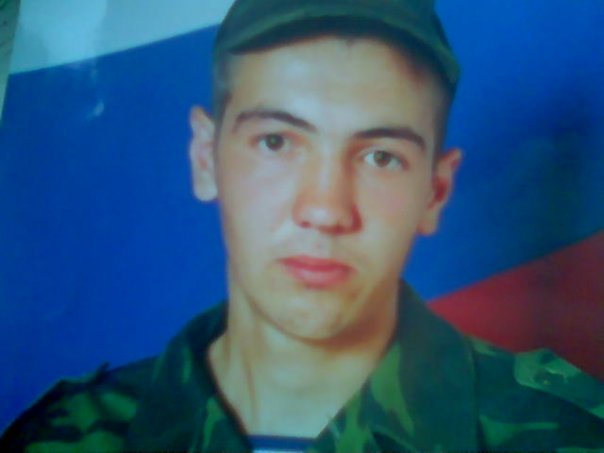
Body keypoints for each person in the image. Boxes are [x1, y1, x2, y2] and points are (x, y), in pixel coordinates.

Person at [2, 0, 603, 451]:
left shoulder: (568, 435)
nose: (324, 209)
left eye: (380, 156)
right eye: (276, 141)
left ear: (435, 192)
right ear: (205, 158)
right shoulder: (63, 437)